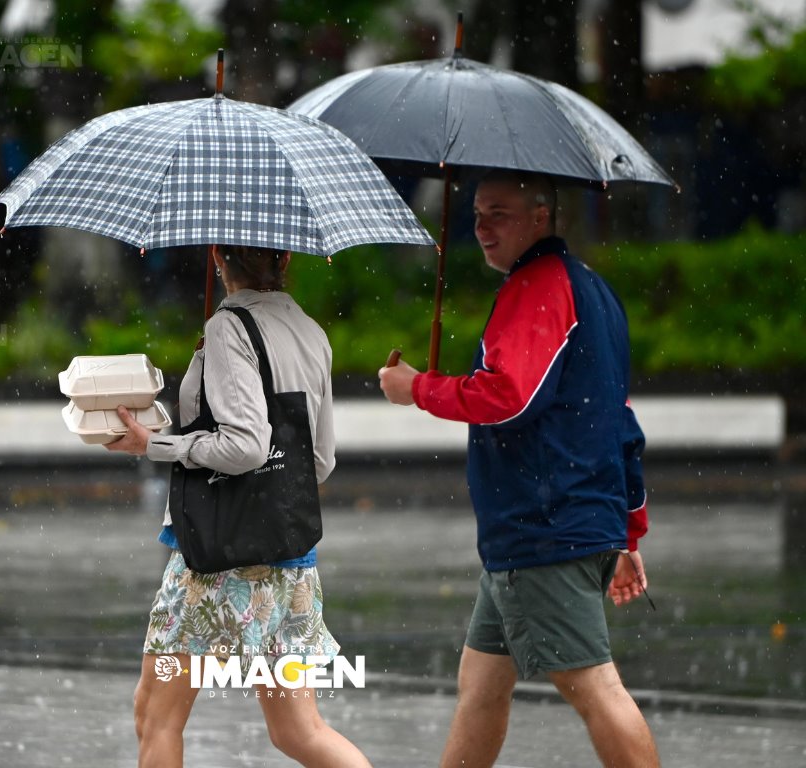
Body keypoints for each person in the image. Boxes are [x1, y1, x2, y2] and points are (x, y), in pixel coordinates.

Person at [378, 169, 660, 768]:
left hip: (544, 529)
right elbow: (619, 421)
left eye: (498, 213)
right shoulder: (593, 290)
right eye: (477, 213)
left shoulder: (538, 287)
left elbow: (509, 397)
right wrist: (627, 529)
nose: (481, 227)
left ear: (541, 217)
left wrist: (417, 388)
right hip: (546, 528)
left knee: (596, 691)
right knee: (481, 688)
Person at [106, 244, 372, 768]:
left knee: (155, 715)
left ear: (216, 257)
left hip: (217, 563)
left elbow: (245, 445)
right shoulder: (311, 332)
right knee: (301, 732)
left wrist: (157, 445)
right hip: (289, 561)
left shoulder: (229, 329)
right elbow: (319, 461)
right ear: (287, 261)